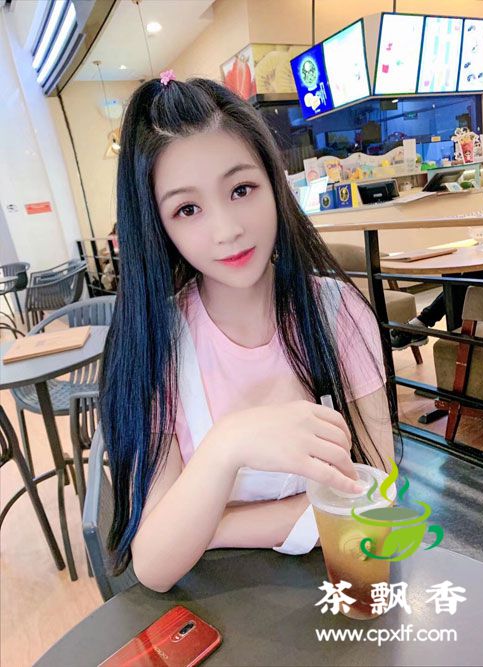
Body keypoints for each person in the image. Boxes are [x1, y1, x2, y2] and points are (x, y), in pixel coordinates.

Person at [99, 72, 396, 594]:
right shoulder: (157, 348)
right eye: (187, 209)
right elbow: (154, 563)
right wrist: (227, 445)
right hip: (217, 605)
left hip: (337, 587)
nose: (227, 230)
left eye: (241, 189)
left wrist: (211, 527)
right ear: (158, 225)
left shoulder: (338, 312)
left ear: (274, 183)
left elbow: (377, 493)